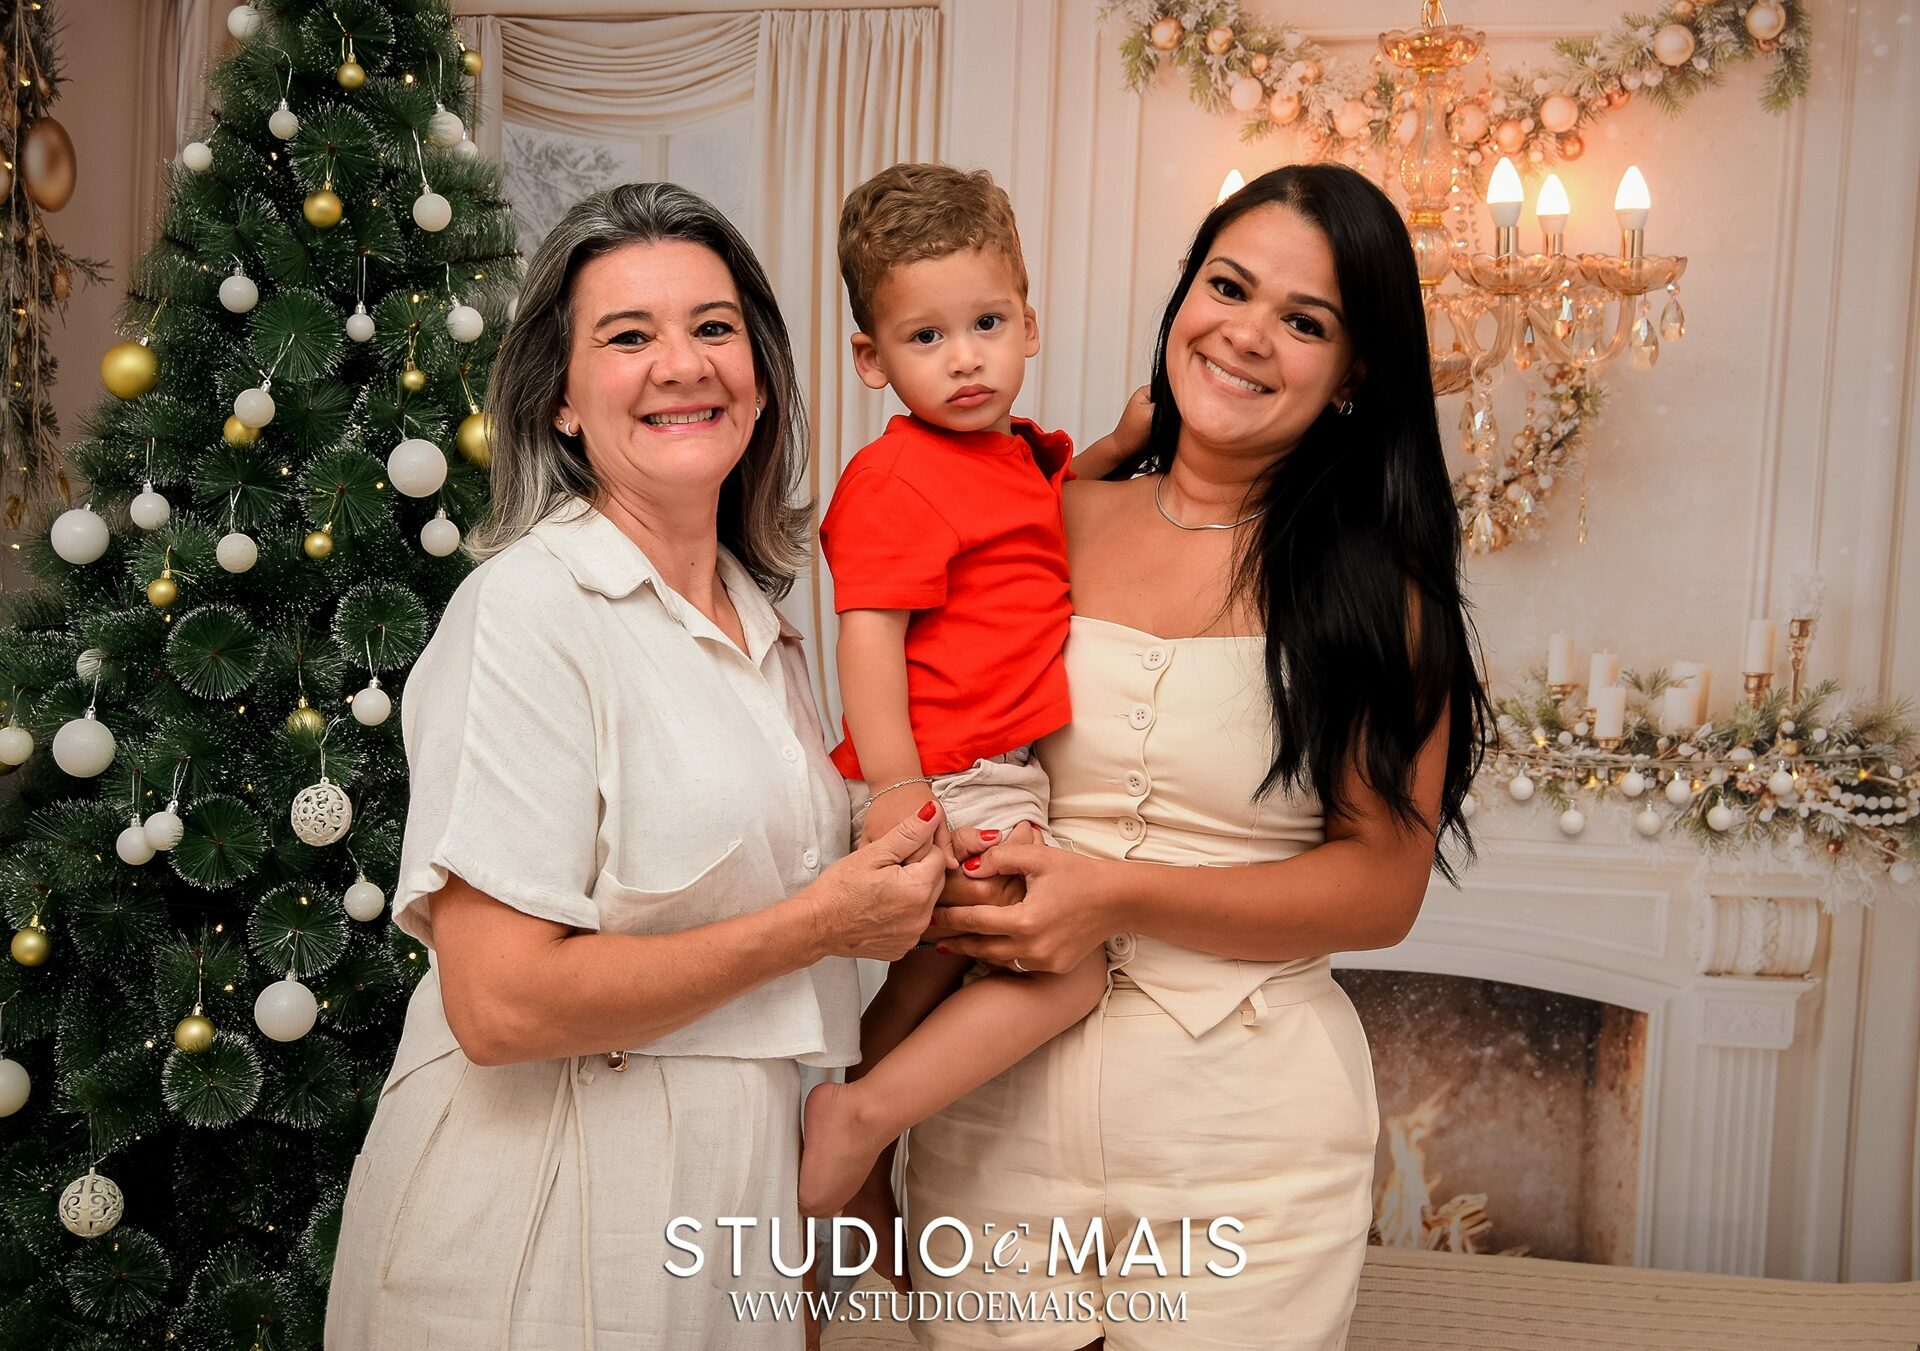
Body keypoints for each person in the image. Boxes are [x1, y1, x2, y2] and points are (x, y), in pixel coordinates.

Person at [323, 183, 949, 1351]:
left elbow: (783, 997)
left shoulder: (770, 631)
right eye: (627, 336)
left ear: (760, 377)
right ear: (560, 400)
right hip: (541, 1218)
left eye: (714, 327)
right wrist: (820, 923)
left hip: (729, 1219)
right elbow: (500, 1002)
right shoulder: (527, 610)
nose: (682, 364)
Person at [905, 163, 1492, 1349]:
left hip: (1250, 1139)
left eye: (1306, 321)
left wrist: (1114, 893)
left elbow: (1382, 888)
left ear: (1354, 372)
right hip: (991, 1111)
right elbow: (938, 750)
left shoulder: (1381, 588)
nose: (1248, 334)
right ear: (1183, 298)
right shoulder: (1045, 519)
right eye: (1227, 287)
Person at [797, 164, 1137, 1223]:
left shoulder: (1010, 457)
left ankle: (859, 1145)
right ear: (873, 358)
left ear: (1028, 324)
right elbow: (868, 638)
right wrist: (900, 789)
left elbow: (1048, 513)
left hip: (988, 766)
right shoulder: (895, 478)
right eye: (926, 337)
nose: (965, 357)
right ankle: (857, 1121)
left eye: (987, 323)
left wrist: (1121, 447)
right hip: (946, 771)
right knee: (1067, 970)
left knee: (934, 973)